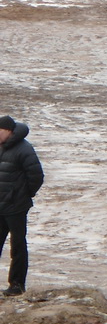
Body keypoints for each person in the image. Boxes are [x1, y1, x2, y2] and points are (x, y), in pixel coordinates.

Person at [0, 115, 44, 297]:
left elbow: (37, 176)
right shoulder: (1, 147)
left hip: (16, 206)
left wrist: (23, 195)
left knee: (17, 245)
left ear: (9, 131)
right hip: (0, 205)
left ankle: (17, 285)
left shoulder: (24, 149)